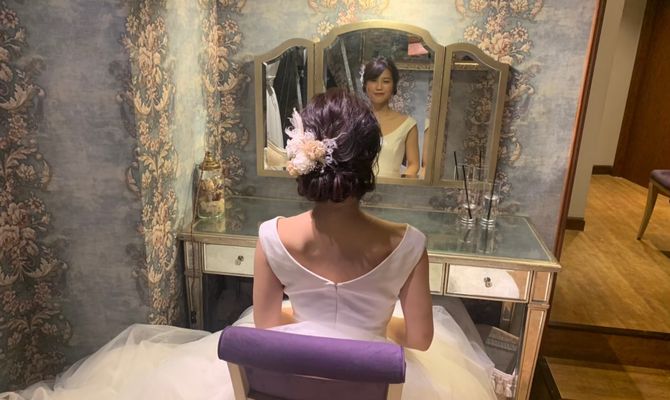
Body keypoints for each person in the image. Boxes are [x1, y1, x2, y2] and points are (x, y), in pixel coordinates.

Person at [2, 89, 497, 400]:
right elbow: (420, 339)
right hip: (372, 379)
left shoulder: (271, 235)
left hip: (286, 379)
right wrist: (370, 323)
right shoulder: (408, 243)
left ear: (301, 161)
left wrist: (310, 316)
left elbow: (266, 323)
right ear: (368, 163)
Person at [363, 57, 420, 179]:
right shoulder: (353, 121)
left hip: (392, 189)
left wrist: (404, 182)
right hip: (357, 189)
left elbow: (414, 164)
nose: (379, 87)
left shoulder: (408, 124)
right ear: (365, 85)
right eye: (373, 80)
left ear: (394, 85)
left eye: (386, 81)